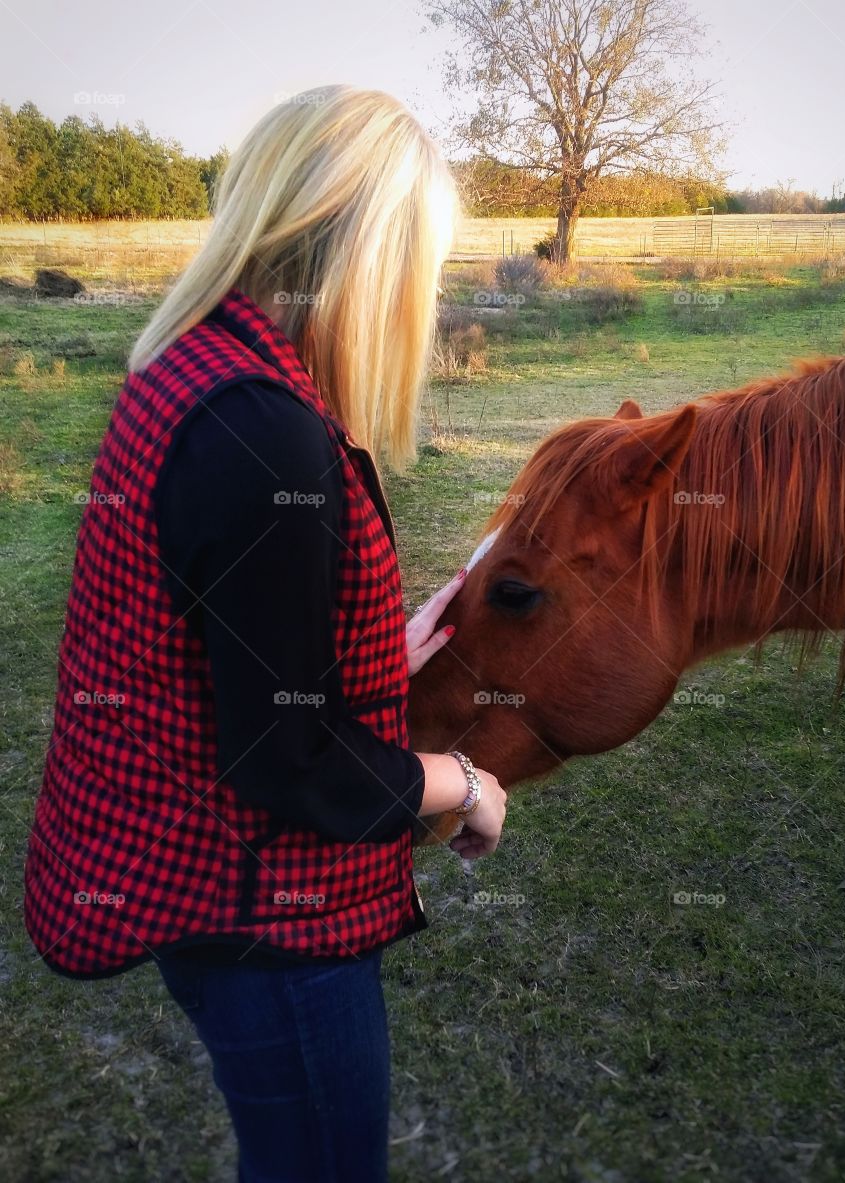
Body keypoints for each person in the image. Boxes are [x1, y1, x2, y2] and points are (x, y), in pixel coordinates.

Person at [23, 85, 507, 1182]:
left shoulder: (197, 369)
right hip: (270, 929)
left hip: (223, 915)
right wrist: (465, 782)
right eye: (422, 267)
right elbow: (288, 762)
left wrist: (382, 643)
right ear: (370, 258)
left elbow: (224, 638)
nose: (423, 299)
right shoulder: (267, 434)